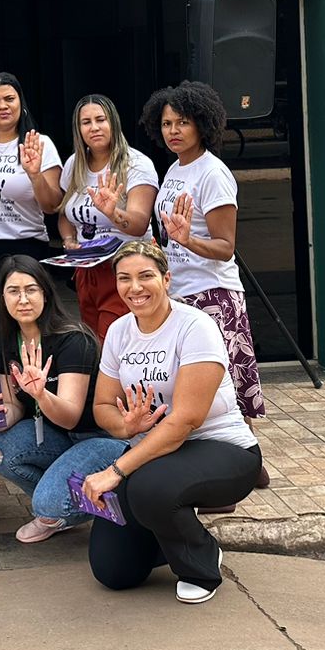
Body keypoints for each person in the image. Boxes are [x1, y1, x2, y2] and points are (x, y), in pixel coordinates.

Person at [78, 240, 262, 604]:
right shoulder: (119, 331)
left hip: (221, 448)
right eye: (124, 278)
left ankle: (201, 562)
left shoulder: (195, 326)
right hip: (154, 454)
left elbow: (185, 420)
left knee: (148, 487)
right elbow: (102, 406)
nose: (135, 287)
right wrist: (126, 427)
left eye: (145, 276)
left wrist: (115, 471)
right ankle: (169, 531)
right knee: (113, 571)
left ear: (166, 279)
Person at [142, 81, 268, 492]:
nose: (173, 131)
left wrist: (187, 240)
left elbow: (225, 247)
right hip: (179, 293)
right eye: (166, 124)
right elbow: (172, 233)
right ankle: (238, 466)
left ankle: (244, 464)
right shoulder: (175, 170)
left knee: (223, 386)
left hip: (212, 295)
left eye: (182, 122)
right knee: (195, 386)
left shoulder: (213, 173)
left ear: (202, 124)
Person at [0, 256, 104, 544]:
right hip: (55, 435)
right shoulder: (5, 338)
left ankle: (79, 504)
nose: (23, 299)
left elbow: (70, 417)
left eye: (31, 290)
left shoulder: (73, 339)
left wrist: (41, 394)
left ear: (45, 294)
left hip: (96, 437)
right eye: (13, 291)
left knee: (47, 503)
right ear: (2, 298)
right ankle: (58, 506)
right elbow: (14, 404)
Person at [0, 72, 62, 333]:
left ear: (21, 102)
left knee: (31, 326)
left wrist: (34, 174)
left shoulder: (40, 144)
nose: (2, 106)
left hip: (27, 245)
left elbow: (51, 205)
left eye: (9, 99)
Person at [56, 95, 160, 339]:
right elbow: (64, 215)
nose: (94, 127)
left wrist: (113, 212)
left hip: (126, 267)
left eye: (100, 120)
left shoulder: (137, 164)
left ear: (113, 122)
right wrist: (69, 239)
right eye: (86, 122)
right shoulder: (74, 164)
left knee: (116, 341)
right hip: (86, 269)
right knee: (93, 342)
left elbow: (139, 224)